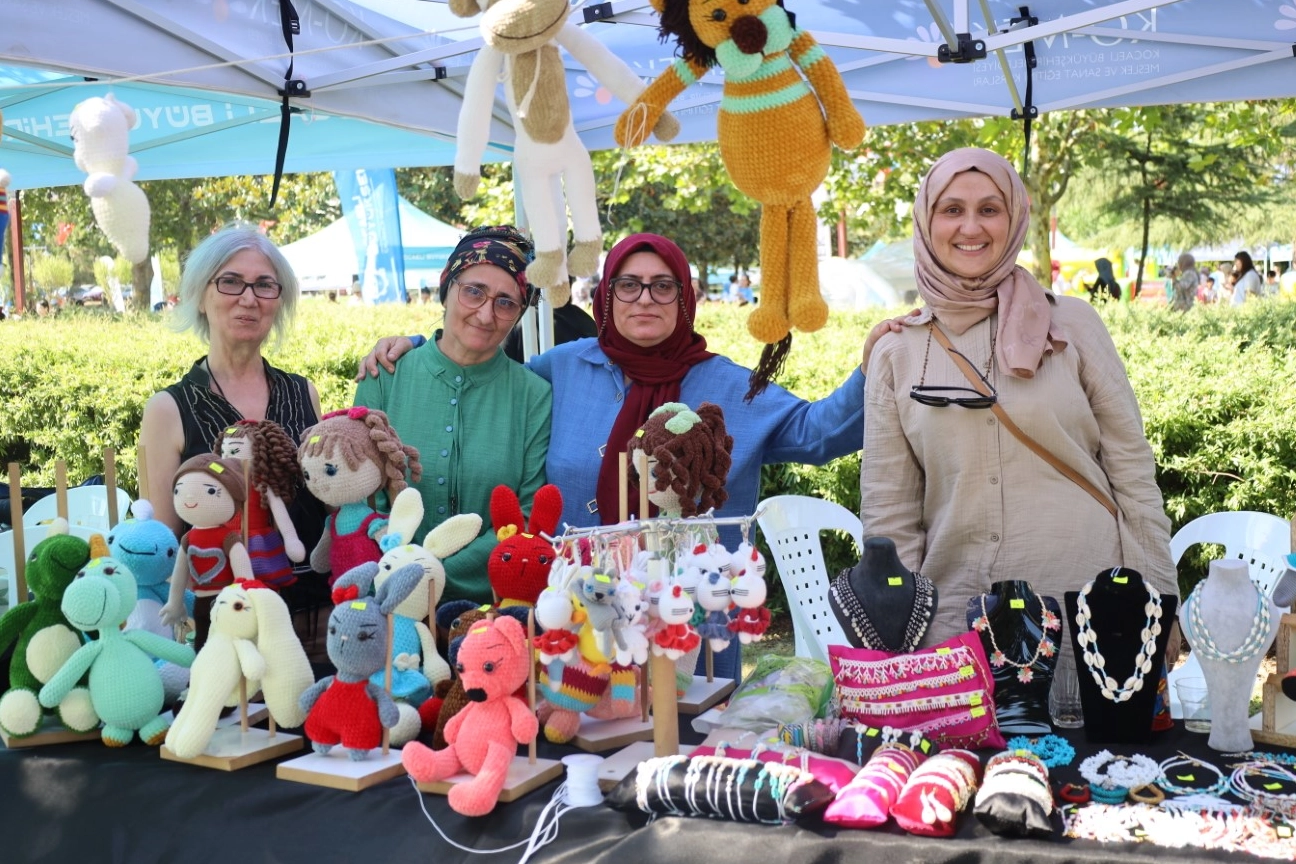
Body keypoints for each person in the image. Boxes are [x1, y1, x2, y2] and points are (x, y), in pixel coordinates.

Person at [358, 233, 905, 678]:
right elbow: (484, 367)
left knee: (680, 754)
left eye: (662, 286)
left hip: (688, 624)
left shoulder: (729, 386)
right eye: (628, 285)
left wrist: (871, 367)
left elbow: (821, 435)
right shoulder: (565, 368)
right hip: (575, 621)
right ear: (606, 296)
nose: (644, 299)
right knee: (579, 747)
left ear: (685, 298)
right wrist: (416, 345)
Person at [861, 148, 1177, 651]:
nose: (971, 227)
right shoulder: (898, 351)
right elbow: (889, 512)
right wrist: (901, 634)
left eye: (989, 209)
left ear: (1014, 220)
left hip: (1085, 621)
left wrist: (1161, 598)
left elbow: (1132, 470)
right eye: (951, 209)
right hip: (954, 624)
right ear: (925, 221)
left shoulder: (1073, 324)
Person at [352, 225, 552, 605]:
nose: (485, 314)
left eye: (506, 302)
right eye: (474, 291)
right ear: (447, 289)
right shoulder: (386, 376)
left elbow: (525, 512)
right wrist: (406, 571)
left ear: (519, 314)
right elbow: (360, 498)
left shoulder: (533, 396)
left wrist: (439, 572)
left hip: (493, 605)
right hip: (389, 599)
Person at [138, 225, 326, 562]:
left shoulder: (303, 392)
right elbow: (162, 546)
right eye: (231, 281)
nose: (249, 299)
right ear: (200, 297)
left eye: (264, 285)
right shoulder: (168, 410)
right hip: (221, 594)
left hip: (316, 594)